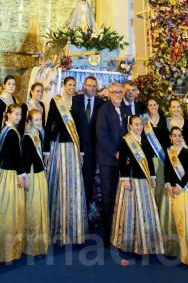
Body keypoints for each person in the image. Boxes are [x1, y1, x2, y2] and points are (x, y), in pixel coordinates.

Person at [111, 115, 164, 255]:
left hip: (144, 181)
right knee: (130, 210)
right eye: (136, 125)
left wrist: (152, 176)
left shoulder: (145, 140)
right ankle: (128, 242)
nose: (139, 127)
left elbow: (150, 160)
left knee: (146, 210)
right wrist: (124, 179)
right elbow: (122, 162)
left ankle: (146, 241)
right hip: (131, 180)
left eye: (140, 124)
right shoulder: (125, 141)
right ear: (130, 126)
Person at [44, 76, 87, 246]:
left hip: (72, 148)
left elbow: (82, 128)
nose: (71, 87)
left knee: (72, 186)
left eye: (74, 85)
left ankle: (72, 228)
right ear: (64, 85)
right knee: (57, 185)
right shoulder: (56, 101)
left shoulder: (77, 103)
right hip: (57, 146)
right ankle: (56, 227)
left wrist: (82, 152)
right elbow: (48, 126)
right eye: (69, 85)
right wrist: (46, 150)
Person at [159, 126, 188, 265]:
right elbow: (167, 168)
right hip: (171, 190)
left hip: (184, 190)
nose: (177, 138)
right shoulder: (169, 152)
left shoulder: (186, 152)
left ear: (182, 137)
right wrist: (168, 183)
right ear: (170, 137)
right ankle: (174, 249)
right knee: (172, 220)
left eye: (179, 135)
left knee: (185, 222)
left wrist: (180, 186)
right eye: (174, 135)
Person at [0, 104, 25, 262]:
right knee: (10, 209)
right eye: (16, 114)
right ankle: (6, 248)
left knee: (3, 207)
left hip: (3, 171)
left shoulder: (5, 130)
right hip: (10, 173)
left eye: (20, 114)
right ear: (8, 115)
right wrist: (21, 174)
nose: (18, 117)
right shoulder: (11, 132)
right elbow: (16, 156)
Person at [95, 81, 127, 247]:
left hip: (122, 162)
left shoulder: (124, 109)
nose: (118, 95)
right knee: (109, 197)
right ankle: (108, 237)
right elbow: (101, 136)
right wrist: (115, 152)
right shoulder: (104, 110)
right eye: (115, 92)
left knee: (121, 197)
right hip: (108, 161)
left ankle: (119, 233)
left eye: (120, 92)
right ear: (108, 93)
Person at [71, 75, 103, 208]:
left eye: (94, 86)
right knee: (75, 179)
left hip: (93, 150)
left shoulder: (101, 103)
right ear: (84, 85)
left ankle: (85, 209)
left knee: (89, 180)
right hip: (76, 147)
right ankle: (74, 207)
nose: (91, 88)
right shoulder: (75, 100)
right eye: (89, 85)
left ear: (97, 88)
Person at [23, 108, 49, 256]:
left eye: (40, 119)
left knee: (39, 206)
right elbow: (26, 159)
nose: (39, 122)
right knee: (32, 207)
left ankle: (39, 242)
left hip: (39, 173)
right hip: (32, 174)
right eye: (36, 120)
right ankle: (30, 244)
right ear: (30, 122)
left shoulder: (38, 134)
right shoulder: (27, 137)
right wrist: (25, 177)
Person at [143, 96, 168, 204]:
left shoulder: (164, 119)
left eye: (155, 104)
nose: (153, 107)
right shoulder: (143, 120)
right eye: (150, 105)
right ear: (147, 107)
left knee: (160, 184)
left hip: (161, 157)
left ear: (158, 105)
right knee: (151, 185)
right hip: (148, 156)